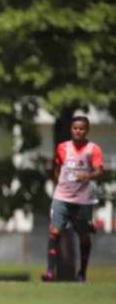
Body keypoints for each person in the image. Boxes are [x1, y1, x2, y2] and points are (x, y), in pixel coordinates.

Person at [42, 116, 104, 282]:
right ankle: (49, 272)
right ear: (71, 129)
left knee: (83, 236)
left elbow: (100, 171)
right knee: (54, 232)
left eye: (82, 128)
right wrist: (58, 185)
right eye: (75, 128)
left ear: (87, 130)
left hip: (83, 200)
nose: (78, 131)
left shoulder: (93, 149)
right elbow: (57, 167)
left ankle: (82, 272)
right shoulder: (62, 147)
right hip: (62, 197)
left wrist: (88, 175)